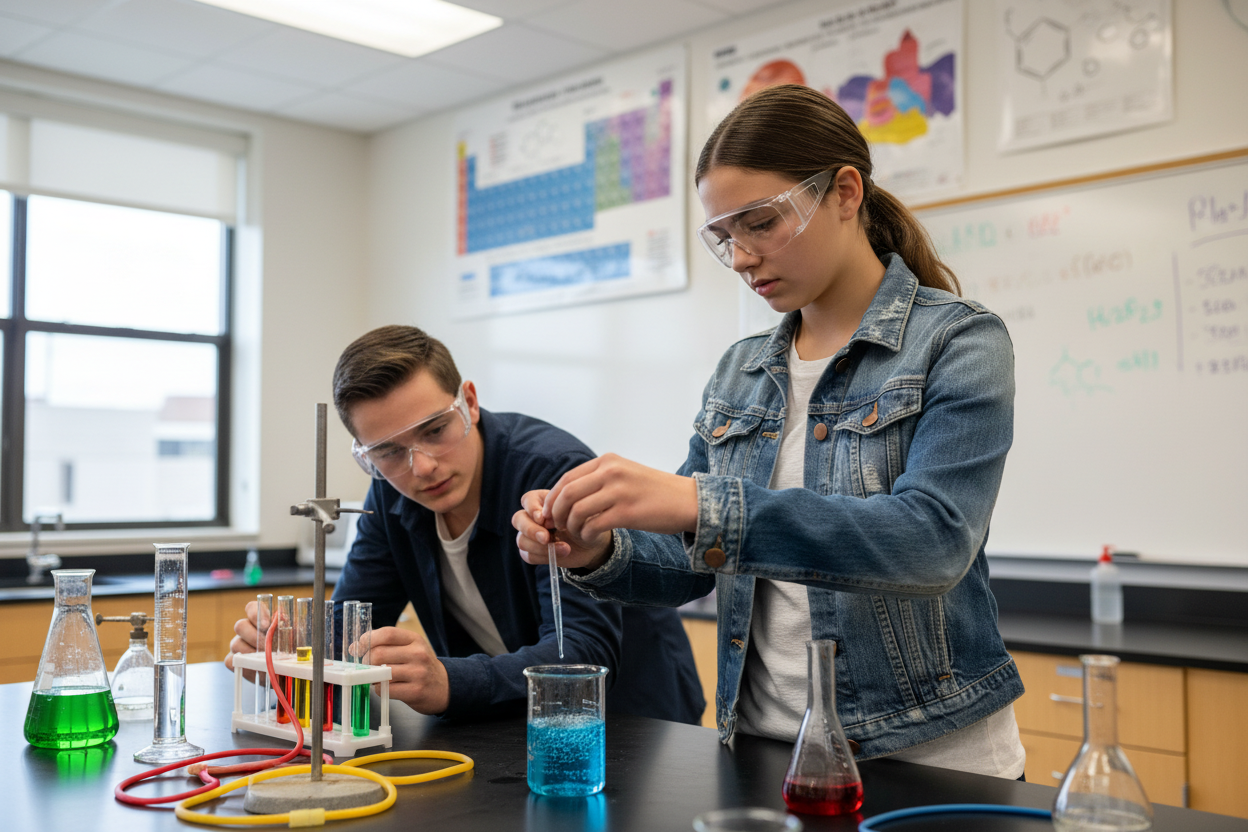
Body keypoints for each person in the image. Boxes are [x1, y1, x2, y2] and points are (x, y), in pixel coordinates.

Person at [513, 84, 1027, 778]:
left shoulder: (957, 340)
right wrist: (595, 547)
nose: (744, 256)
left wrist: (701, 503)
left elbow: (932, 542)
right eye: (724, 236)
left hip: (928, 754)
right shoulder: (742, 370)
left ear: (845, 192)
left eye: (760, 222)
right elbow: (688, 563)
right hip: (763, 751)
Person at [226, 325, 704, 724]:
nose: (423, 467)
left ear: (469, 403)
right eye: (388, 451)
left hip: (634, 724)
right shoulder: (390, 494)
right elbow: (350, 633)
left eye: (435, 430)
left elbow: (580, 654)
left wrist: (447, 681)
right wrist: (285, 653)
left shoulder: (549, 471)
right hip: (512, 723)